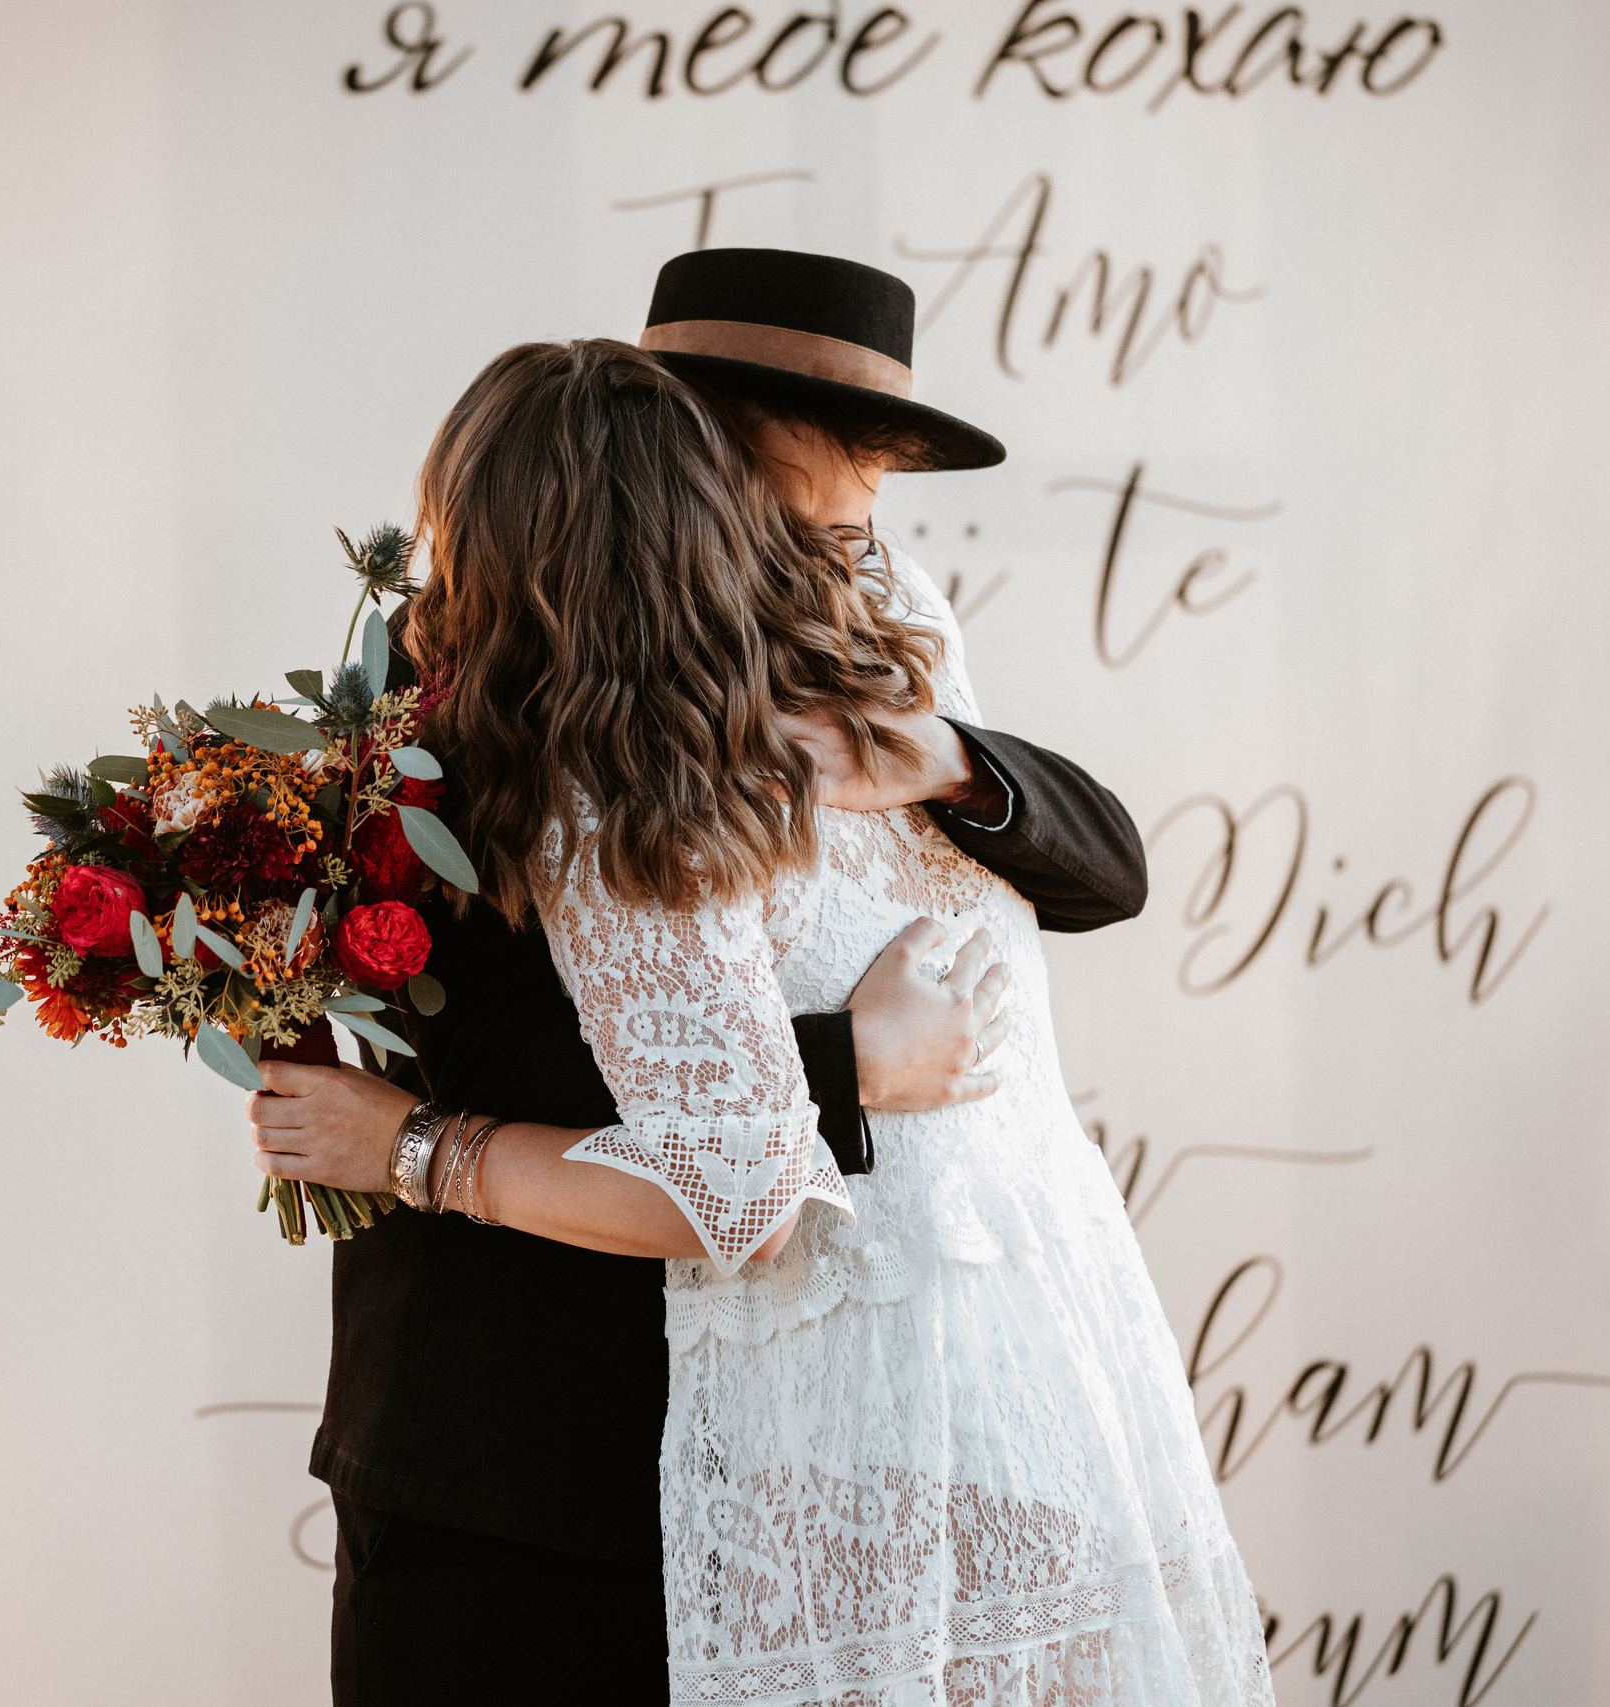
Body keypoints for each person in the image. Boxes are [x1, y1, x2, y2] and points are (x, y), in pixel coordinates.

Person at [267, 253, 1257, 1705]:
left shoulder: (867, 624)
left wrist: (946, 759)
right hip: (503, 1426)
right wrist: (844, 1066)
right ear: (685, 445)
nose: (864, 503)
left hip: (772, 1440)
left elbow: (1096, 874)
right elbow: (505, 1053)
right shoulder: (447, 717)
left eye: (882, 463)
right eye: (835, 455)